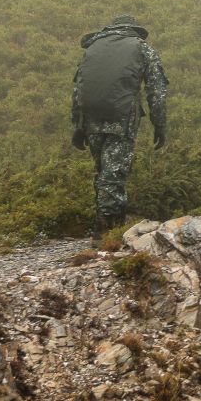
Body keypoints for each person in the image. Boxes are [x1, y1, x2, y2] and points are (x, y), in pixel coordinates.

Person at [70, 13, 168, 241]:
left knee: (103, 171)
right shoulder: (142, 48)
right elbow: (157, 91)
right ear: (134, 29)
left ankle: (106, 223)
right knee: (113, 174)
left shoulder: (93, 49)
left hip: (91, 119)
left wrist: (78, 125)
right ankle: (106, 232)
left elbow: (78, 88)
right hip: (121, 118)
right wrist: (159, 124)